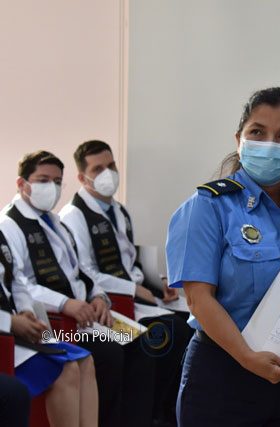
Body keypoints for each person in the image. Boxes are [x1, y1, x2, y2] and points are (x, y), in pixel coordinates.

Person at [166, 87, 280, 426]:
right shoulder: (207, 206)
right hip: (225, 376)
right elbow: (198, 299)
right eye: (257, 132)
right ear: (238, 139)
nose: (269, 144)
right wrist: (247, 356)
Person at [0, 150, 154, 427]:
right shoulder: (9, 225)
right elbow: (25, 284)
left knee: (142, 342)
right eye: (43, 180)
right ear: (22, 184)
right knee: (108, 353)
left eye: (57, 181)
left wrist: (99, 296)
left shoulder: (55, 221)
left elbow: (80, 270)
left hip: (84, 315)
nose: (52, 188)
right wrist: (64, 304)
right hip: (59, 322)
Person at [60, 139, 192, 426]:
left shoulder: (119, 210)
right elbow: (85, 272)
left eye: (111, 165)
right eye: (98, 169)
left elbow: (130, 260)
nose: (108, 173)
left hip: (138, 296)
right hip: (111, 301)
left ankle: (166, 411)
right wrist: (134, 289)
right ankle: (145, 415)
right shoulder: (73, 217)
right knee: (167, 334)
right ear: (82, 177)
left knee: (190, 323)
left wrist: (158, 282)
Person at [1, 229, 99, 427]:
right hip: (5, 334)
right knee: (66, 369)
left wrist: (26, 311)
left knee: (85, 361)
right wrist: (10, 322)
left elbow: (16, 281)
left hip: (14, 327)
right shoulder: (12, 225)